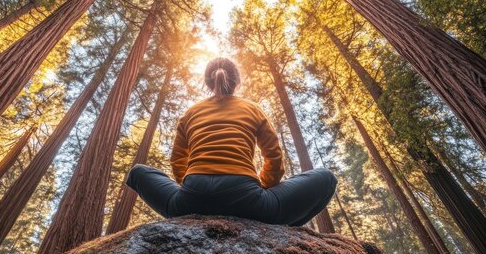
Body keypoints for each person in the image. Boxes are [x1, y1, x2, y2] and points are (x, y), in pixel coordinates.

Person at [125, 57, 337, 227]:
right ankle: (279, 229)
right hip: (246, 199)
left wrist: (190, 189)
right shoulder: (252, 108)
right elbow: (273, 156)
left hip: (191, 199)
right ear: (236, 82)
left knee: (138, 172)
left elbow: (178, 159)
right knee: (326, 178)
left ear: (208, 83)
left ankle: (194, 209)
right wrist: (264, 187)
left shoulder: (191, 112)